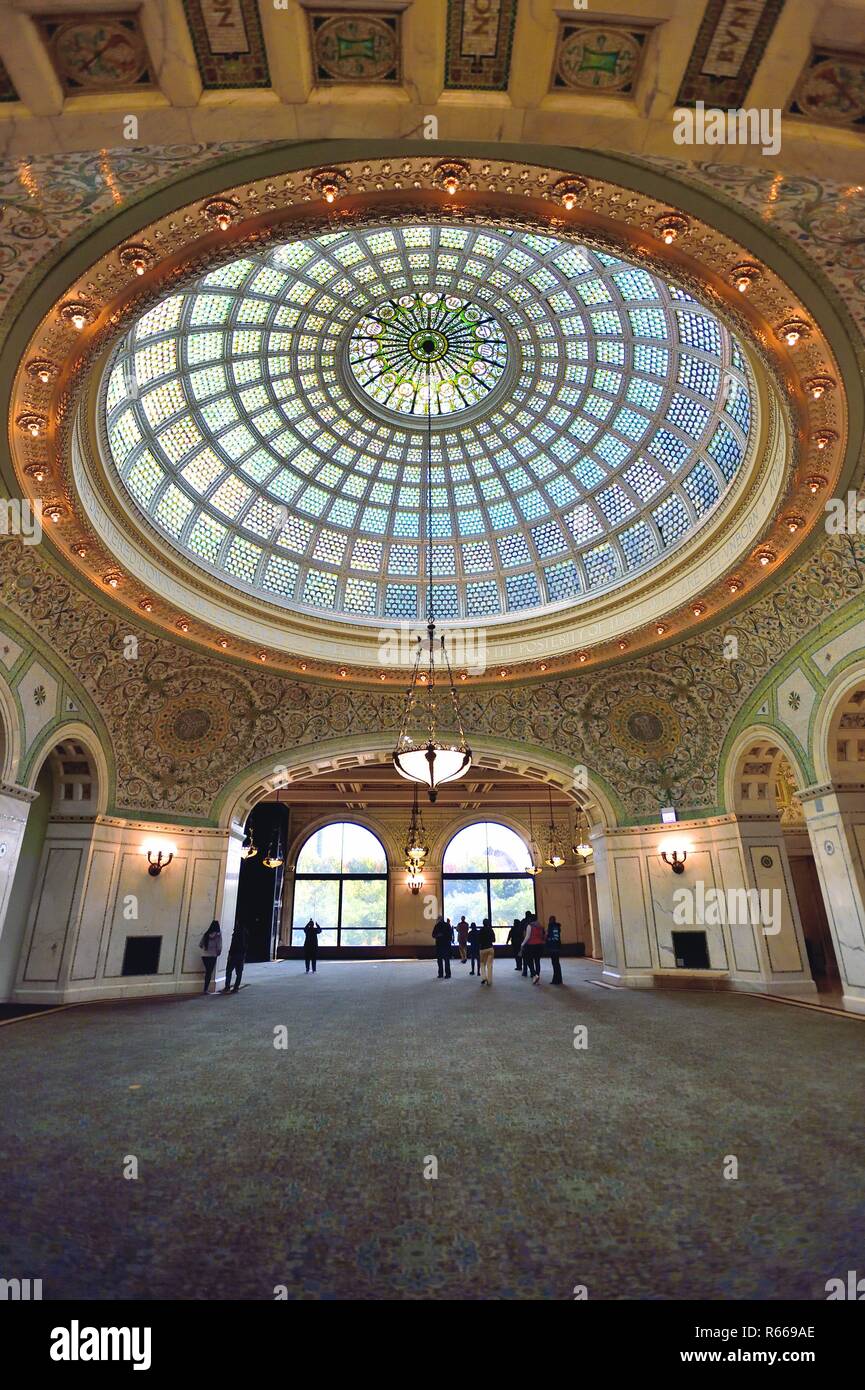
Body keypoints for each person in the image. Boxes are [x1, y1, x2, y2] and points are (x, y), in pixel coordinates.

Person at [222, 921, 247, 993]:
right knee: (239, 972)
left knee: (229, 971)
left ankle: (227, 987)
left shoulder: (236, 934)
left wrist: (230, 954)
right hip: (241, 956)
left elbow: (233, 946)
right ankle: (236, 987)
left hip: (234, 955)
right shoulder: (245, 934)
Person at [199, 920, 222, 994]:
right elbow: (219, 946)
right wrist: (218, 952)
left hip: (204, 956)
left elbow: (200, 944)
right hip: (212, 955)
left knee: (207, 972)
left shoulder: (206, 934)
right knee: (209, 972)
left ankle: (205, 989)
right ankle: (205, 989)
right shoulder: (218, 935)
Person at [523, 914, 545, 984]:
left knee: (529, 960)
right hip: (539, 945)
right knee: (537, 961)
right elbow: (542, 936)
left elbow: (527, 936)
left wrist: (523, 943)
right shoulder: (540, 926)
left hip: (531, 945)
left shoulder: (530, 926)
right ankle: (537, 975)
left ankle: (534, 974)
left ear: (530, 919)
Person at [478, 918, 496, 986]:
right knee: (490, 965)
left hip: (482, 949)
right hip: (490, 948)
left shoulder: (481, 930)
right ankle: (489, 981)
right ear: (488, 923)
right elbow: (494, 940)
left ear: (483, 923)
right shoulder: (491, 930)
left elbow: (478, 940)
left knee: (482, 964)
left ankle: (483, 978)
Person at [546, 915, 563, 985]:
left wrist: (548, 939)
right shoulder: (554, 927)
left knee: (555, 964)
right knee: (556, 964)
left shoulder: (553, 927)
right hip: (555, 947)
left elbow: (555, 937)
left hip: (554, 947)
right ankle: (558, 979)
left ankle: (556, 980)